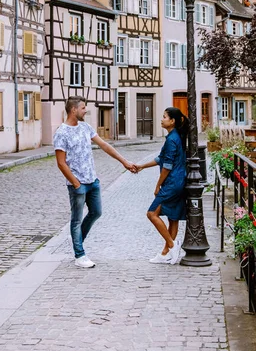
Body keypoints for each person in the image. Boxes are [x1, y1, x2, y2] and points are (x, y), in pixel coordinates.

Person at [53, 96, 137, 269]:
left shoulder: (85, 127)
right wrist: (75, 183)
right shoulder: (62, 132)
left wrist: (125, 162)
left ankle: (77, 241)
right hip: (78, 184)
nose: (85, 111)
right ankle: (80, 254)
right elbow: (61, 162)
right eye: (83, 108)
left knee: (96, 212)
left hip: (93, 180)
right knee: (76, 220)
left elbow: (105, 146)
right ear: (74, 110)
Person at [134, 107, 188, 265]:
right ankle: (166, 254)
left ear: (172, 121)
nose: (161, 119)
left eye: (164, 117)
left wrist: (158, 185)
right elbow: (161, 159)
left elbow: (167, 166)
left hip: (172, 182)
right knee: (173, 218)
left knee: (152, 213)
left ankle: (172, 245)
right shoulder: (174, 136)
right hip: (179, 181)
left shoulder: (172, 139)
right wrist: (142, 166)